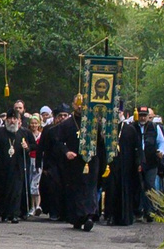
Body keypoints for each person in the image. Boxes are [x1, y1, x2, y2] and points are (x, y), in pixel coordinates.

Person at [57, 99, 100, 231]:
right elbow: (58, 141)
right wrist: (66, 152)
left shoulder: (93, 122)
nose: (80, 107)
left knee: (90, 189)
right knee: (76, 190)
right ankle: (77, 218)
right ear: (73, 105)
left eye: (83, 104)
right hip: (74, 163)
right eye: (78, 104)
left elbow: (100, 142)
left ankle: (89, 216)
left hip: (91, 161)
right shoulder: (67, 124)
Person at [0, 102, 28, 222]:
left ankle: (14, 214)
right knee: (4, 191)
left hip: (17, 167)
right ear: (6, 120)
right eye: (10, 119)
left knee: (16, 192)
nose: (12, 121)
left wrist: (26, 147)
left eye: (15, 119)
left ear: (18, 120)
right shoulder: (0, 132)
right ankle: (4, 213)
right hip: (3, 166)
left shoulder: (22, 133)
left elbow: (33, 146)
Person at [109, 107, 144, 227]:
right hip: (113, 164)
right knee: (112, 189)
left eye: (118, 112)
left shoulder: (130, 129)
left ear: (122, 113)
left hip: (127, 165)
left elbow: (137, 147)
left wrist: (138, 162)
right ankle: (112, 216)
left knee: (127, 190)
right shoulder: (109, 129)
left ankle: (126, 217)